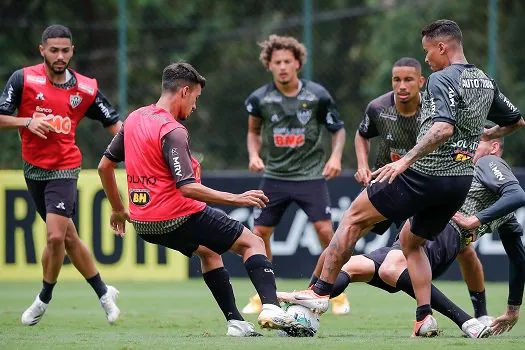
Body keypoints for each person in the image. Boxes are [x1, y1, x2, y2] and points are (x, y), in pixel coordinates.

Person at [280, 19, 524, 337]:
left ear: (442, 47)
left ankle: (320, 292)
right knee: (412, 243)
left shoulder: (441, 78)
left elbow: (443, 128)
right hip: (459, 182)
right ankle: (424, 317)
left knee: (353, 219)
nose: (427, 59)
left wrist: (405, 161)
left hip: (425, 175)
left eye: (427, 52)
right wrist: (483, 132)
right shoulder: (484, 81)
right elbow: (516, 121)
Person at [98, 62, 311, 337]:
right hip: (178, 215)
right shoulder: (172, 130)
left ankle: (236, 322)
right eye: (196, 98)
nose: (196, 106)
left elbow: (104, 166)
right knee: (253, 242)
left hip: (144, 223)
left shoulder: (134, 119)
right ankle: (271, 307)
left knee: (209, 252)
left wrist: (118, 209)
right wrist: (237, 198)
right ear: (184, 91)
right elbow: (187, 187)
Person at [296, 136, 525, 338]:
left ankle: (466, 321)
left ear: (494, 147)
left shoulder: (489, 162)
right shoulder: (492, 201)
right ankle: (302, 313)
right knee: (349, 267)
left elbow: (516, 193)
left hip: (444, 232)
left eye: (478, 141)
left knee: (390, 268)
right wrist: (513, 311)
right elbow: (518, 260)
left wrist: (475, 220)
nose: (470, 146)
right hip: (417, 237)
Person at [0, 24, 121, 326]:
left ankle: (43, 298)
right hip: (33, 169)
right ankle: (104, 293)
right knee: (67, 238)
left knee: (55, 235)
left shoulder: (86, 88)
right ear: (42, 50)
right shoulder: (23, 79)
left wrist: (136, 150)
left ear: (72, 51)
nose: (60, 55)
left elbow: (115, 125)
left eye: (65, 50)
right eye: (53, 50)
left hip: (65, 168)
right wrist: (26, 122)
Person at [355, 56, 489, 320]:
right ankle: (317, 294)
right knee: (348, 232)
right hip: (388, 185)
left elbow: (467, 133)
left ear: (421, 82)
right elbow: (362, 134)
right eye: (396, 80)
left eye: (408, 80)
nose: (402, 86)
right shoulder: (379, 107)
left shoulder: (437, 110)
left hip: (422, 187)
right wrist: (362, 164)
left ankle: (476, 314)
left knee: (462, 249)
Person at [243, 34, 349, 315]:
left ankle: (334, 291)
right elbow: (253, 131)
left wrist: (336, 156)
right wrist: (254, 155)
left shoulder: (317, 96)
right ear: (269, 65)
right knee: (259, 233)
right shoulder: (259, 98)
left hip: (310, 175)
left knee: (328, 233)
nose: (282, 66)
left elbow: (338, 130)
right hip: (275, 176)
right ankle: (265, 293)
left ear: (298, 63)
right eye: (276, 62)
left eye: (287, 61)